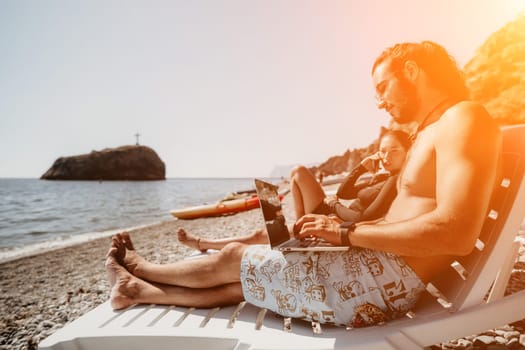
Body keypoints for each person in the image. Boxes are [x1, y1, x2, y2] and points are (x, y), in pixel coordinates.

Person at [105, 41, 501, 328]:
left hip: (377, 284)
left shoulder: (463, 119)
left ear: (412, 71)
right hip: (378, 274)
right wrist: (340, 236)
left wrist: (346, 233)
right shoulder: (433, 129)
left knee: (232, 258)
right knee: (250, 279)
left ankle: (141, 268)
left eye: (383, 87)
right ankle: (135, 291)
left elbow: (457, 233)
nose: (380, 102)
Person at [177, 129, 411, 252]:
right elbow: (346, 191)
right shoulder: (384, 175)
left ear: (407, 152)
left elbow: (364, 217)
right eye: (383, 151)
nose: (386, 156)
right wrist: (361, 167)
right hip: (334, 214)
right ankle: (299, 229)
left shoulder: (396, 181)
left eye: (393, 151)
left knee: (259, 236)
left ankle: (203, 243)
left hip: (340, 223)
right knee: (298, 171)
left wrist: (332, 205)